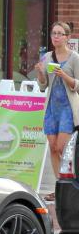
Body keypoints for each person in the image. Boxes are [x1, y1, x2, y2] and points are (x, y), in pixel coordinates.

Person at [35, 21, 79, 201]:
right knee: (53, 149)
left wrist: (63, 75)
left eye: (60, 33)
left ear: (67, 37)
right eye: (54, 33)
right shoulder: (47, 57)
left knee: (62, 147)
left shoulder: (75, 58)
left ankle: (69, 186)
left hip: (68, 110)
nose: (56, 36)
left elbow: (77, 85)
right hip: (52, 108)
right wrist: (39, 73)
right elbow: (42, 86)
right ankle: (59, 187)